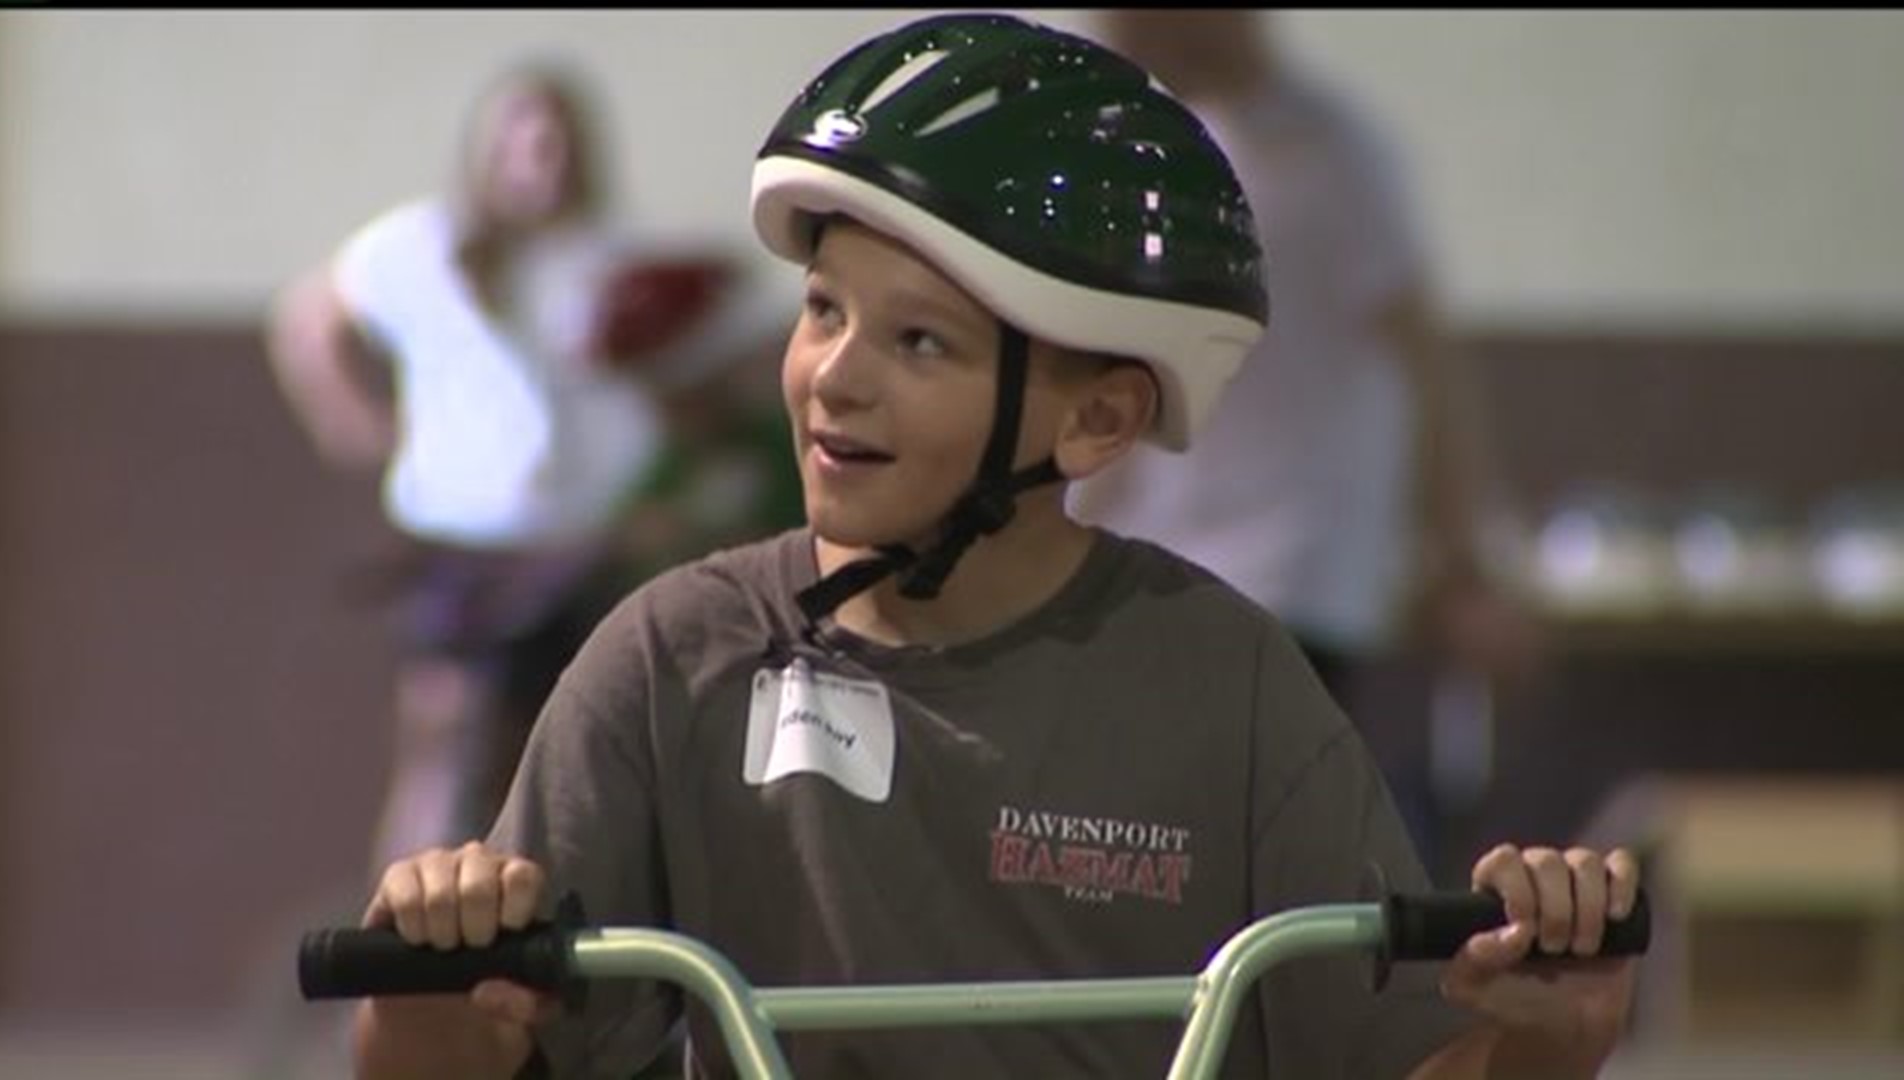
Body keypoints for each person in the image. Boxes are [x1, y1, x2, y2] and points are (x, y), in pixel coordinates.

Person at [351, 15, 1640, 1079]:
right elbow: (467, 1055)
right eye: (821, 310)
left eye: (920, 342)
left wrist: (1546, 1050)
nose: (830, 380)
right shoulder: (673, 661)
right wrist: (425, 988)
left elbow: (1398, 1065)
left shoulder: (1226, 685)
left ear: (1098, 418)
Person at [265, 60, 772, 872]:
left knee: (585, 750)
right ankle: (397, 948)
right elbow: (307, 317)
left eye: (556, 139)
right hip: (471, 547)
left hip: (593, 547)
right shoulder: (424, 247)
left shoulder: (621, 261)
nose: (539, 157)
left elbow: (733, 358)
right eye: (520, 139)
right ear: (485, 151)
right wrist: (360, 427)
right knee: (446, 745)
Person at [1071, 10, 1542, 871]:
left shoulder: (1336, 156)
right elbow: (1135, 385)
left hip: (1293, 583)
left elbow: (1432, 368)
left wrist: (1464, 563)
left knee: (1252, 864)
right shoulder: (1163, 150)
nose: (1110, 28)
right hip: (1159, 575)